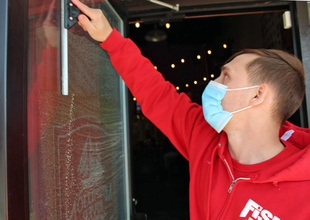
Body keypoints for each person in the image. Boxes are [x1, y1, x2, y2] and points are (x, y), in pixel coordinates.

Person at [71, 0, 310, 219]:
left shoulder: (304, 192)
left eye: (225, 76)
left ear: (257, 94)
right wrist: (111, 38)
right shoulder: (204, 137)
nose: (213, 82)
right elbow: (156, 93)